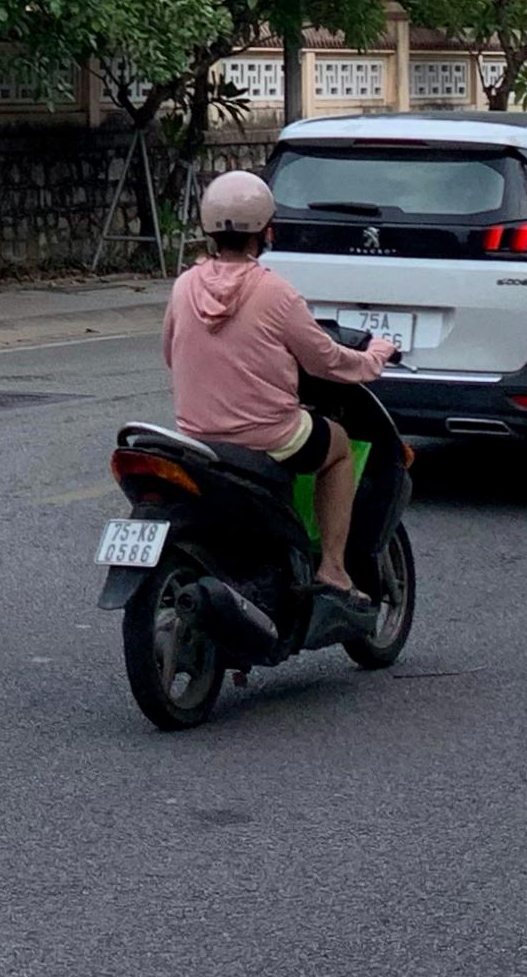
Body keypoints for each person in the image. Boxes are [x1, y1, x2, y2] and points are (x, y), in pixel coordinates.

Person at [165, 167, 399, 642]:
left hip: (196, 439)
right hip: (268, 437)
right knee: (336, 447)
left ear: (209, 230)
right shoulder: (275, 291)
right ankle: (333, 569)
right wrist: (375, 357)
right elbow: (327, 361)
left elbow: (170, 352)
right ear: (267, 232)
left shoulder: (184, 285)